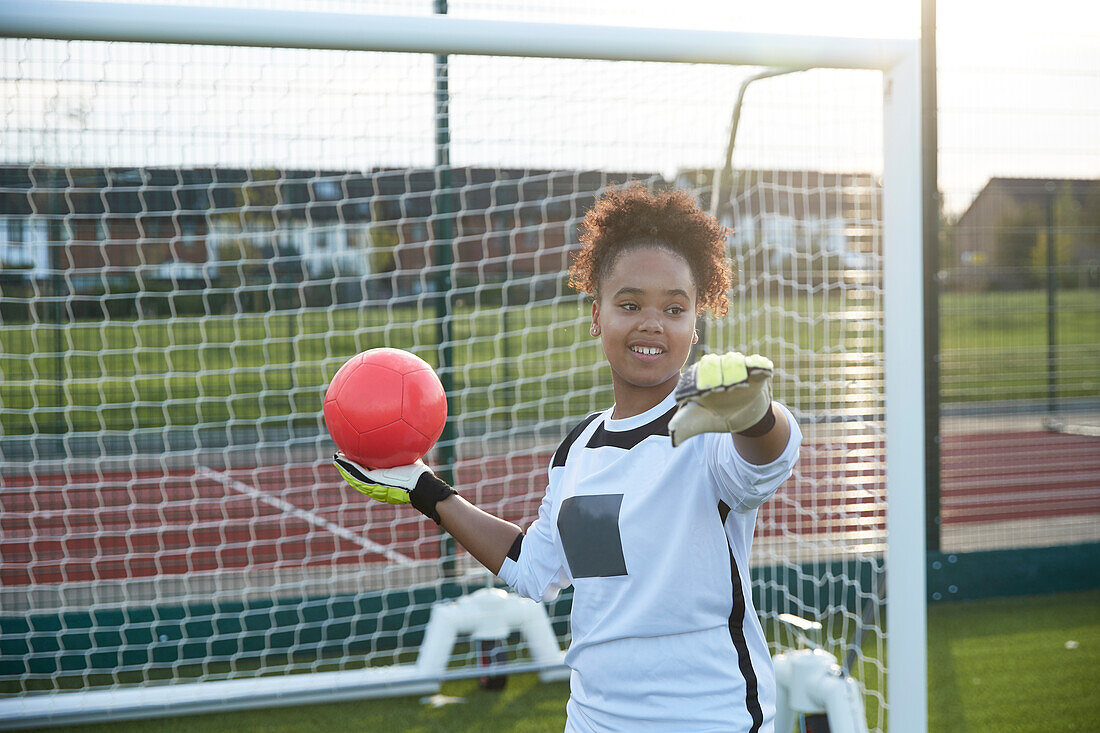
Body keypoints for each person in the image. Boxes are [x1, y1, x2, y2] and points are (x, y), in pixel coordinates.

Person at [334, 184, 802, 733]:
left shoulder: (710, 426)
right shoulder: (579, 449)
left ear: (695, 323)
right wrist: (425, 489)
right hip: (593, 721)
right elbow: (536, 569)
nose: (652, 322)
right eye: (630, 304)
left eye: (674, 308)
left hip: (711, 720)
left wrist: (756, 414)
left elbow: (768, 457)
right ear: (597, 315)